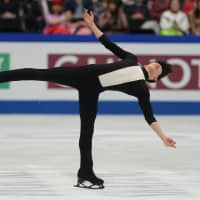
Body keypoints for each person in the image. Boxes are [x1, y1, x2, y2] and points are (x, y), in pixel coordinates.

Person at [0, 9, 176, 189]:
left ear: (154, 79)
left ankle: (85, 174)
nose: (157, 65)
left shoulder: (142, 89)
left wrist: (163, 137)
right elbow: (108, 43)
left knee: (87, 133)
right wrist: (92, 24)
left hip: (92, 91)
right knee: (38, 73)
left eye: (160, 68)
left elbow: (149, 117)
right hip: (83, 74)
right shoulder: (132, 59)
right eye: (158, 63)